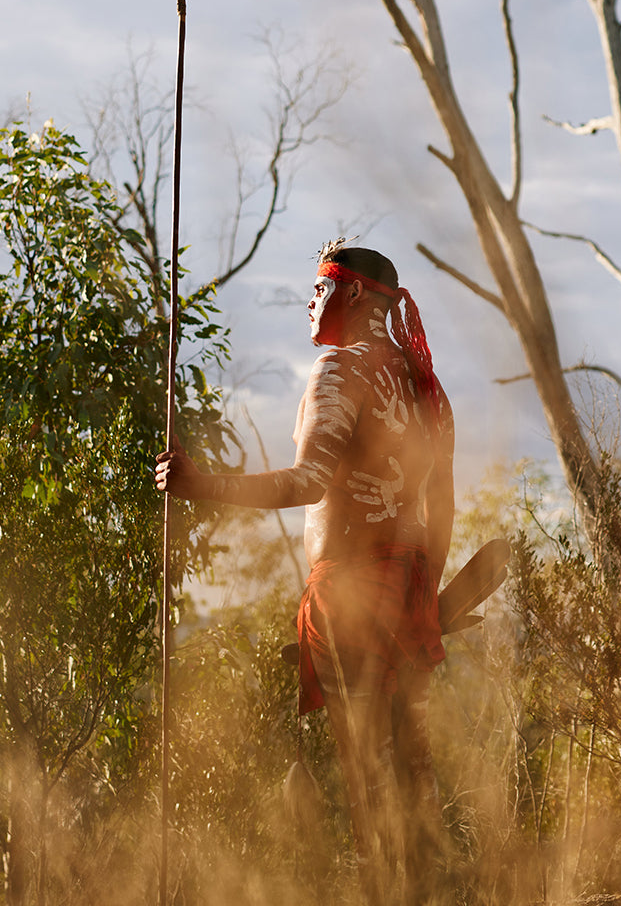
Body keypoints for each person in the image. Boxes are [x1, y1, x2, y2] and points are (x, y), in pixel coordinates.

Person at [155, 240, 455, 904]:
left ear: (352, 295)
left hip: (352, 601)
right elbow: (444, 513)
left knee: (366, 788)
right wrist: (424, 601)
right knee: (412, 775)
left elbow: (306, 483)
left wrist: (200, 483)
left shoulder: (339, 373)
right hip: (408, 603)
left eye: (318, 290)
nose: (309, 302)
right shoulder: (426, 386)